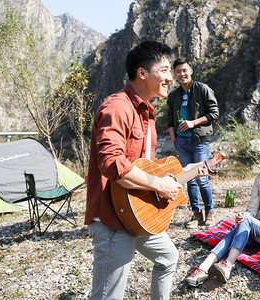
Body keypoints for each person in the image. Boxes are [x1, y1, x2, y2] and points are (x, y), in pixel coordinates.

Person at [85, 41, 209, 300]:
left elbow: (144, 165)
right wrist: (160, 185)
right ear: (142, 73)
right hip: (113, 219)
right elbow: (111, 162)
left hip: (138, 213)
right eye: (164, 70)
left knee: (168, 257)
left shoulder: (146, 112)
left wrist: (186, 171)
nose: (170, 77)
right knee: (108, 296)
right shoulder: (118, 107)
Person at [185, 150, 260, 287]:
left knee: (246, 221)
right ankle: (203, 268)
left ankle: (228, 265)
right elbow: (251, 210)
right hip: (259, 229)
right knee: (239, 227)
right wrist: (242, 218)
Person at [167, 57, 219, 228]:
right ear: (175, 74)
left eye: (184, 70)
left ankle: (209, 213)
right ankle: (196, 214)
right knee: (188, 179)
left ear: (191, 71)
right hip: (182, 142)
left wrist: (193, 123)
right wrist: (175, 139)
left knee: (201, 178)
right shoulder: (174, 95)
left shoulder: (202, 89)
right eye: (178, 71)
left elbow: (214, 113)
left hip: (200, 141)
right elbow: (170, 120)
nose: (182, 74)